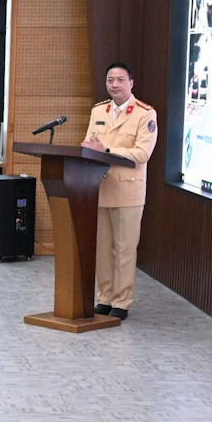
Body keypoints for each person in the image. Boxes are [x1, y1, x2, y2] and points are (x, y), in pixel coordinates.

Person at [80, 62, 159, 321]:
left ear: (131, 83)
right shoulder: (98, 111)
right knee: (103, 249)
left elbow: (141, 154)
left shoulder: (145, 114)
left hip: (127, 191)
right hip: (100, 187)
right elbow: (91, 143)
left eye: (120, 80)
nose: (114, 84)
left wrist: (107, 151)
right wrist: (90, 148)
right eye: (110, 80)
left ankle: (122, 301)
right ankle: (104, 298)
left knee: (125, 248)